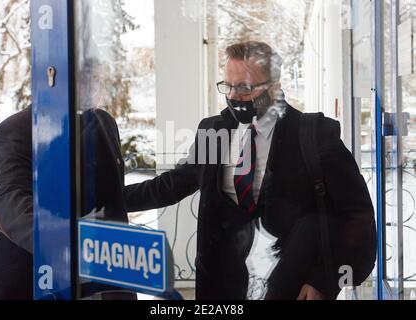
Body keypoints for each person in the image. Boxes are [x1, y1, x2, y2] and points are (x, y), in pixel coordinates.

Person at [125, 41, 377, 300]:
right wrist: (109, 197)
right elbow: (174, 183)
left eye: (245, 88)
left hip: (290, 283)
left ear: (275, 87)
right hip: (222, 283)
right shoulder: (214, 131)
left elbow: (357, 216)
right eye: (228, 86)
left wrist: (323, 281)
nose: (233, 96)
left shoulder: (315, 134)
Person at [0, 105, 133, 299]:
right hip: (26, 270)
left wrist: (177, 183)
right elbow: (8, 197)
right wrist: (69, 246)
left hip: (95, 268)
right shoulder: (17, 127)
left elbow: (111, 194)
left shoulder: (100, 121)